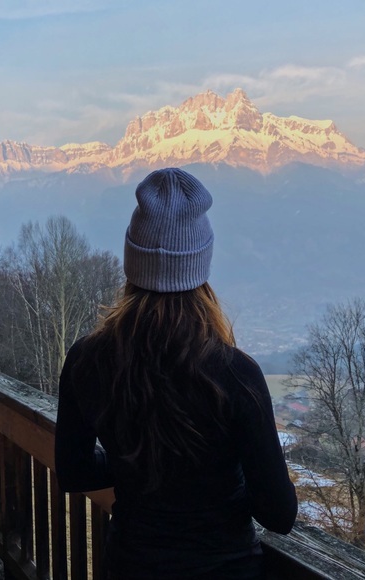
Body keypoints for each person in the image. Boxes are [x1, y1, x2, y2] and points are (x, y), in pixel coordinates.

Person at [55, 167, 297, 579]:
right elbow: (279, 514)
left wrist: (137, 463)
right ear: (202, 266)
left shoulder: (87, 359)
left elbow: (74, 472)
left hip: (129, 565)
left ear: (132, 264)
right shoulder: (236, 374)